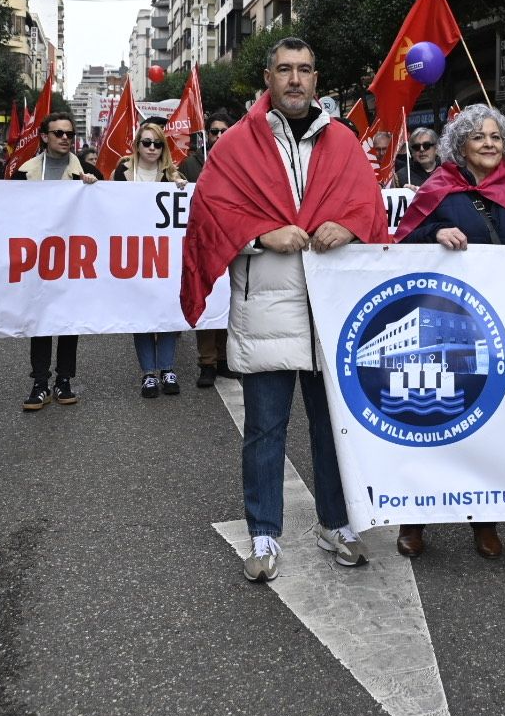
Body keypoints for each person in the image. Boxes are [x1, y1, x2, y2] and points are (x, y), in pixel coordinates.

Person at [181, 37, 386, 583]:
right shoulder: (235, 146)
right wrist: (260, 235)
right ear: (268, 78)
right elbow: (210, 214)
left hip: (330, 315)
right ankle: (264, 533)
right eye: (284, 69)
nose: (295, 79)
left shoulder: (344, 143)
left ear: (317, 81)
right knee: (265, 430)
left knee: (332, 426)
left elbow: (370, 210)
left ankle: (336, 523)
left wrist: (351, 227)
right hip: (266, 310)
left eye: (305, 70)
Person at [394, 105, 505, 561]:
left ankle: (483, 520)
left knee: (492, 427)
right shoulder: (440, 186)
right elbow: (405, 238)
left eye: (496, 137)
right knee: (436, 419)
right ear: (459, 145)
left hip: (502, 326)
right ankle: (415, 517)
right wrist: (436, 232)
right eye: (478, 137)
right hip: (448, 324)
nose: (489, 144)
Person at [10, 112, 98, 410]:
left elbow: (104, 213)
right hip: (37, 260)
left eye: (69, 134)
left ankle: (64, 380)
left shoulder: (86, 171)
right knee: (41, 321)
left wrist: (93, 187)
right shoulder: (24, 173)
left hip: (74, 260)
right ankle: (39, 382)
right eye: (58, 133)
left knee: (68, 322)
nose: (64, 139)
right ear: (44, 137)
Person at [113, 120, 185, 397]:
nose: (152, 148)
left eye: (157, 143)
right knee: (141, 314)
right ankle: (148, 373)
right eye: (147, 143)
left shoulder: (172, 175)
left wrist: (181, 189)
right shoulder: (122, 172)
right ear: (137, 146)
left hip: (164, 256)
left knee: (167, 312)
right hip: (135, 253)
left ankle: (167, 368)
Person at [183, 111, 233, 386]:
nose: (220, 136)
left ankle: (225, 358)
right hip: (203, 240)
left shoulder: (240, 162)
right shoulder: (191, 164)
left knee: (229, 300)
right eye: (215, 132)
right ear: (207, 135)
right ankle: (207, 362)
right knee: (208, 299)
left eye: (225, 131)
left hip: (232, 240)